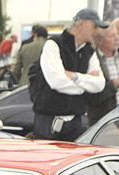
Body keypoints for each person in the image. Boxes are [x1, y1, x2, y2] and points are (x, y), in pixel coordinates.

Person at [31, 9, 106, 141]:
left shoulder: (89, 52)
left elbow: (100, 85)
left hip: (75, 123)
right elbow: (56, 82)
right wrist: (85, 85)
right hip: (47, 122)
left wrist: (74, 76)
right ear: (81, 23)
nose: (96, 31)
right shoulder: (53, 44)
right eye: (94, 26)